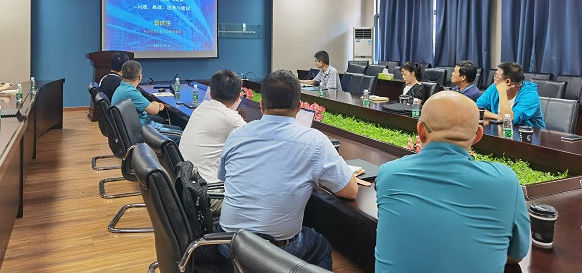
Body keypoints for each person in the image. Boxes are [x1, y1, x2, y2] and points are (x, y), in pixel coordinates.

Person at [218, 70, 358, 270]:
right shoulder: (314, 141)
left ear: (262, 105)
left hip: (227, 244)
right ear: (299, 107)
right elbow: (350, 190)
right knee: (321, 245)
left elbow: (224, 177)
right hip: (276, 250)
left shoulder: (237, 135)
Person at [375, 91, 530, 273]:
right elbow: (517, 254)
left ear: (421, 131)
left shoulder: (389, 173)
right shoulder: (506, 180)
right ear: (478, 135)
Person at [179, 69, 245, 213]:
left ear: (210, 93)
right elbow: (258, 140)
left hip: (186, 187)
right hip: (207, 196)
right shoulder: (231, 118)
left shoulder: (201, 107)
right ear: (238, 97)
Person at [111, 60, 183, 136]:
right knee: (183, 135)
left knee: (178, 128)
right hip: (143, 132)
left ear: (121, 75)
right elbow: (154, 110)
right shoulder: (131, 92)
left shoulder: (121, 88)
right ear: (140, 77)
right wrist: (155, 104)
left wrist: (153, 105)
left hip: (135, 129)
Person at [477, 62, 545, 128]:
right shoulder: (494, 87)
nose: (494, 78)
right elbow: (477, 108)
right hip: (500, 130)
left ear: (508, 81)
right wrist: (497, 117)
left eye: (496, 75)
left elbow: (508, 120)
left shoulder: (530, 96)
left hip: (529, 133)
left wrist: (502, 92)